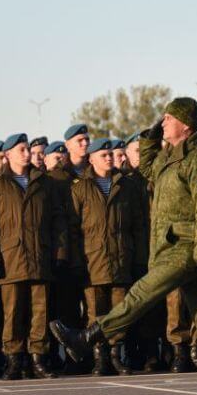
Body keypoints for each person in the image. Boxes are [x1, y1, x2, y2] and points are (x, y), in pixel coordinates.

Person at [52, 97, 197, 395]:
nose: (164, 123)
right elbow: (148, 169)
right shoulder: (174, 154)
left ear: (185, 125)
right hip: (171, 245)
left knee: (141, 294)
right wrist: (149, 138)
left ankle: (88, 337)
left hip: (187, 248)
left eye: (169, 119)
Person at [0, 133, 68, 380]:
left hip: (40, 257)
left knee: (40, 312)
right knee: (14, 313)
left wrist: (59, 252)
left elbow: (58, 220)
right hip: (11, 260)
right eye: (21, 150)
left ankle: (38, 359)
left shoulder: (43, 183)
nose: (27, 154)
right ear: (7, 155)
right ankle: (14, 360)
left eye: (27, 149)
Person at [70, 138, 149, 375]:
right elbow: (74, 229)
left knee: (119, 312)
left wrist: (138, 258)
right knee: (95, 313)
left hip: (121, 259)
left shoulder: (126, 186)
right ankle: (100, 358)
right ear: (91, 158)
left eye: (110, 155)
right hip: (92, 261)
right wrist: (76, 262)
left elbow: (138, 226)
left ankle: (116, 355)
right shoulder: (80, 188)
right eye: (103, 155)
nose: (108, 158)